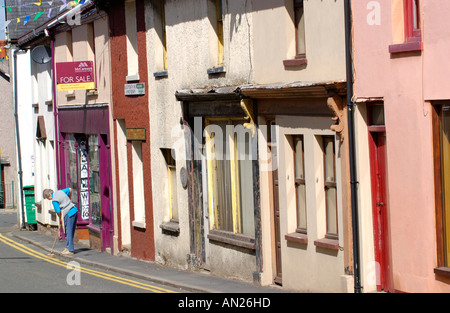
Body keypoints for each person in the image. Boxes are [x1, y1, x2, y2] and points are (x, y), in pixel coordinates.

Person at [43, 188, 78, 255]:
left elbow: (58, 211)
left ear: (50, 194)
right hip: (74, 210)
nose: (49, 199)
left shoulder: (54, 200)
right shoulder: (61, 191)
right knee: (70, 230)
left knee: (68, 231)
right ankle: (67, 247)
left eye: (48, 197)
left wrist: (60, 218)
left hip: (69, 214)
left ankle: (70, 250)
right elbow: (70, 189)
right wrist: (69, 199)